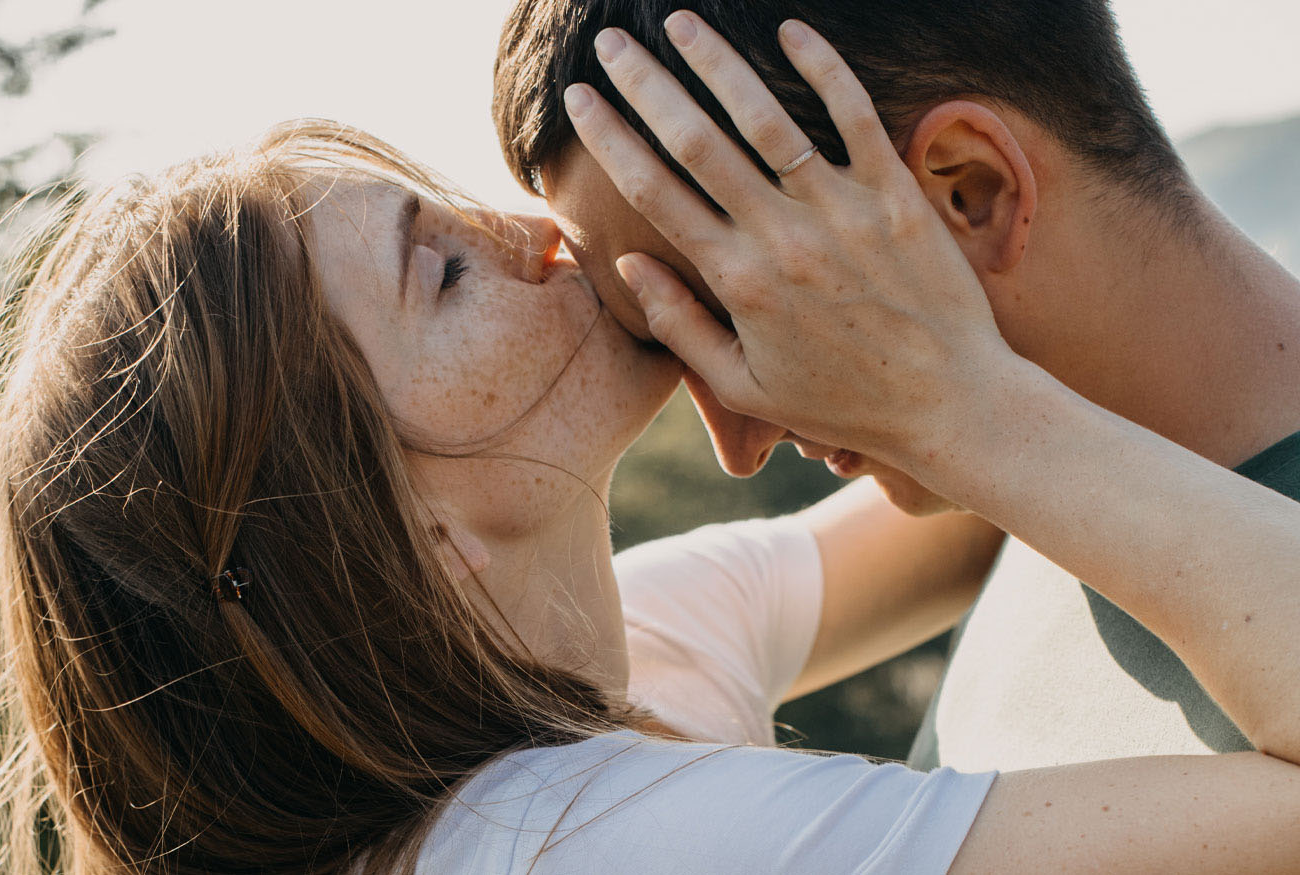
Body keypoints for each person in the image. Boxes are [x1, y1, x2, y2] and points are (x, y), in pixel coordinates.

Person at [0, 101, 1300, 874]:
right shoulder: (575, 847)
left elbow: (986, 498)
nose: (530, 232)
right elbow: (1004, 448)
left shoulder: (595, 671)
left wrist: (893, 358)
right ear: (399, 542)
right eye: (444, 269)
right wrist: (952, 397)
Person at [493, 0, 1300, 772]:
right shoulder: (1010, 495)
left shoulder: (997, 445)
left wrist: (966, 417)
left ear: (972, 192)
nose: (738, 447)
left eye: (740, 311)